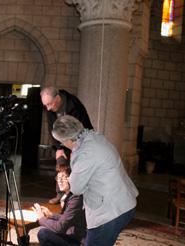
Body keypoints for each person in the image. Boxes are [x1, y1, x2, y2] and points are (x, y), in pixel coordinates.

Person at [52, 115, 139, 246]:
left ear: (67, 139)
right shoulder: (94, 137)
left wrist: (68, 180)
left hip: (110, 212)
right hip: (123, 202)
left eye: (61, 142)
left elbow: (76, 188)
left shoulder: (85, 153)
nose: (62, 145)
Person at [40, 86, 93, 204]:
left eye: (49, 104)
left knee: (76, 167)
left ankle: (74, 197)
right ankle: (60, 194)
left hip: (79, 139)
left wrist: (66, 147)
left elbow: (77, 130)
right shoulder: (50, 108)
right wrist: (58, 149)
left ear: (57, 98)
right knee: (61, 164)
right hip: (62, 140)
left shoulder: (74, 105)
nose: (47, 108)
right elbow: (51, 129)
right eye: (45, 105)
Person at [33, 164, 86, 246]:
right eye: (58, 178)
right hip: (72, 235)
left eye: (63, 178)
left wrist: (41, 218)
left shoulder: (76, 198)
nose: (59, 181)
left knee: (43, 233)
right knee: (48, 236)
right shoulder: (70, 195)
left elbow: (60, 227)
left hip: (78, 241)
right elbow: (66, 219)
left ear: (71, 178)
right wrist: (51, 215)